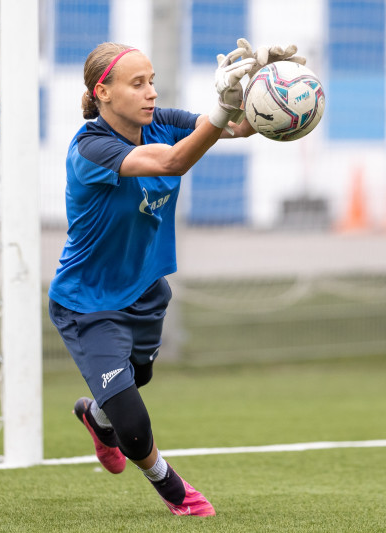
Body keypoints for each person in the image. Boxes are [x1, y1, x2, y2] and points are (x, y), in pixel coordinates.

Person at [48, 39, 306, 517]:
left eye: (152, 82)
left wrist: (263, 86)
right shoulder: (91, 148)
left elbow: (242, 127)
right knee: (135, 423)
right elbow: (174, 161)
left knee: (136, 377)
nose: (150, 93)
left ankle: (97, 417)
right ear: (102, 93)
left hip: (145, 292)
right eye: (137, 84)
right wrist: (219, 107)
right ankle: (173, 489)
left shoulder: (161, 122)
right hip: (88, 302)